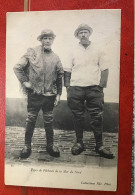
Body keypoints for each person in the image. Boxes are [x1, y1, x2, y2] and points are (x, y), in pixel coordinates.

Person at [64, 24, 114, 159]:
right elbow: (67, 70)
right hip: (76, 88)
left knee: (97, 116)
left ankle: (99, 145)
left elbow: (105, 68)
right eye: (81, 33)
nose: (83, 35)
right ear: (77, 36)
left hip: (93, 89)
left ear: (89, 34)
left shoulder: (98, 49)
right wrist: (68, 87)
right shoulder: (72, 50)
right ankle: (79, 143)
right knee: (77, 116)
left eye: (85, 32)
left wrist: (101, 86)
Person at [14, 29, 64, 159]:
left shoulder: (56, 57)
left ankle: (50, 145)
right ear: (41, 40)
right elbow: (17, 67)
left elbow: (60, 76)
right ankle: (27, 146)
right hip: (35, 95)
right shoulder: (32, 53)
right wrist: (25, 82)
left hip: (49, 96)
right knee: (31, 119)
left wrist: (58, 94)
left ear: (53, 40)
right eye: (45, 38)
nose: (47, 40)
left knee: (48, 120)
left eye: (50, 38)